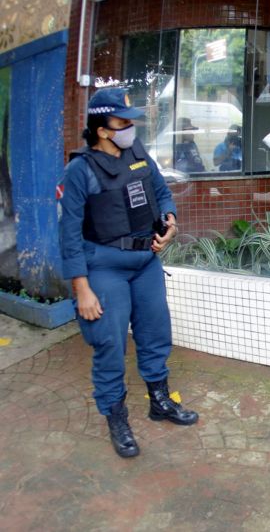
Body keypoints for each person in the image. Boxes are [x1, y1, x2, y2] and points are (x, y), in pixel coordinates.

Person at [59, 87, 199, 458]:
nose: (130, 127)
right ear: (102, 129)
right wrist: (82, 288)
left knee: (155, 334)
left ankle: (159, 402)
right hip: (104, 266)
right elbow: (69, 233)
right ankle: (116, 418)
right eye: (122, 122)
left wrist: (170, 223)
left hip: (145, 263)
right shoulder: (80, 170)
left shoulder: (138, 153)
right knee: (110, 345)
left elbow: (161, 192)